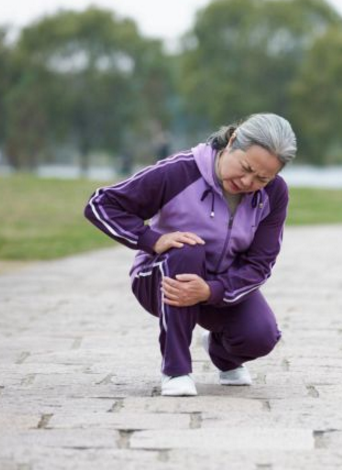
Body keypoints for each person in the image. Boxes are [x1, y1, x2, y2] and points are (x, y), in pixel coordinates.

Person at [84, 113, 297, 397]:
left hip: (216, 288)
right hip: (159, 277)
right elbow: (101, 204)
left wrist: (210, 290)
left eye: (262, 178)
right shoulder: (180, 171)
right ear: (232, 141)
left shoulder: (275, 194)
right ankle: (176, 370)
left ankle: (222, 354)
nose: (248, 181)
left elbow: (260, 264)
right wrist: (152, 239)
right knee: (187, 249)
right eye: (245, 167)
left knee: (261, 336)